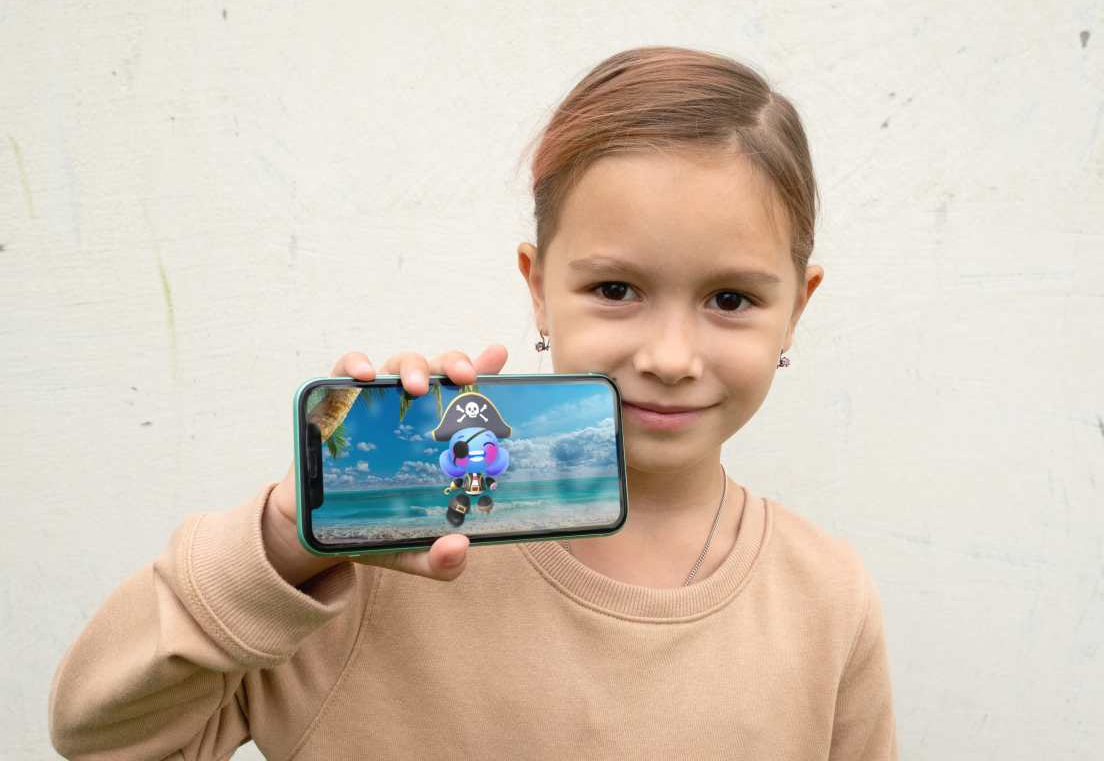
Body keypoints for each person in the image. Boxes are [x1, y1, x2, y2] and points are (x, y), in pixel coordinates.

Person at [49, 46, 898, 759]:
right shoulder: (378, 562)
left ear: (797, 307)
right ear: (537, 289)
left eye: (730, 299)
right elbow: (98, 732)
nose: (669, 358)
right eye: (615, 289)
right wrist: (287, 537)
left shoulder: (825, 597)